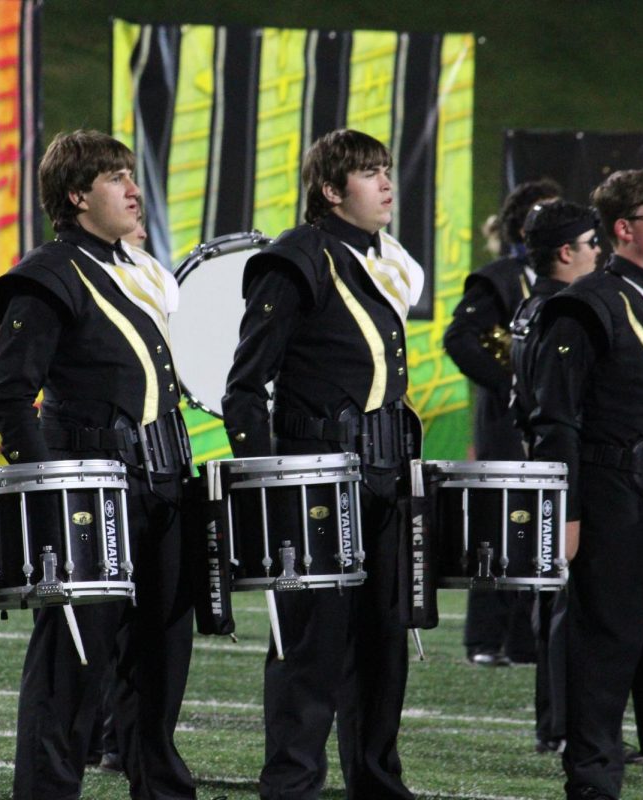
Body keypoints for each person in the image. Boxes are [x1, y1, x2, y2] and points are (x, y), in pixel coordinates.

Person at [0, 129, 196, 800]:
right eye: (114, 179)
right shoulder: (46, 276)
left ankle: (159, 786)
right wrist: (50, 492)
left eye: (131, 176)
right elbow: (11, 395)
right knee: (72, 664)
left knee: (162, 660)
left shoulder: (134, 270)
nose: (133, 190)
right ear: (77, 196)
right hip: (91, 492)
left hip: (162, 481)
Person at [222, 128, 423, 800]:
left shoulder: (380, 260)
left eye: (387, 169)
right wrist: (265, 489)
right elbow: (245, 387)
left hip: (385, 479)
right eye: (370, 173)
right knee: (310, 648)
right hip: (316, 483)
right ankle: (292, 783)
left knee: (382, 644)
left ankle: (376, 781)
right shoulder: (296, 260)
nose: (387, 183)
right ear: (332, 190)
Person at [529, 169, 643, 800]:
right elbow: (553, 419)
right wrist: (569, 515)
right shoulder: (585, 303)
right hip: (613, 494)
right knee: (606, 652)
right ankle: (593, 781)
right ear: (624, 229)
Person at [444, 178, 562, 666]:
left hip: (552, 422)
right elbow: (461, 338)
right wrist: (508, 385)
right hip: (506, 423)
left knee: (543, 525)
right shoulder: (500, 277)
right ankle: (484, 638)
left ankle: (526, 639)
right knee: (499, 523)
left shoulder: (570, 278)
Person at [509, 199, 602, 755]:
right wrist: (569, 506)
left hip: (544, 469)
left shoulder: (531, 306)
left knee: (557, 608)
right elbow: (559, 416)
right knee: (570, 611)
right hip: (563, 473)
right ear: (566, 251)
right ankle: (566, 727)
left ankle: (559, 724)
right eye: (593, 243)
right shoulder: (564, 311)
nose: (599, 252)